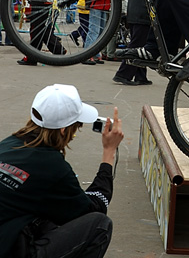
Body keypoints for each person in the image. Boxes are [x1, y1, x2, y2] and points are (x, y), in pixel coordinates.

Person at [0, 83, 124, 258]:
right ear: (64, 129)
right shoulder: (53, 166)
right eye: (76, 127)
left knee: (49, 216)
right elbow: (94, 208)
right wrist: (108, 153)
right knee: (99, 225)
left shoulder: (7, 144)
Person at [113, 0, 157, 85]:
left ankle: (140, 75)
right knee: (137, 44)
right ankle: (123, 74)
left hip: (135, 9)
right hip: (143, 10)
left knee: (140, 43)